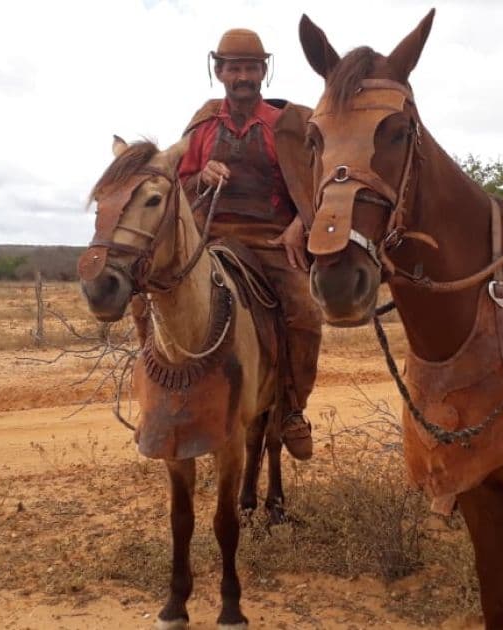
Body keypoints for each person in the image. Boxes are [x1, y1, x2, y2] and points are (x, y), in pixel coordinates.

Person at [178, 28, 322, 460]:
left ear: (264, 70)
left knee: (306, 314)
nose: (243, 76)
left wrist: (300, 225)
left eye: (251, 67)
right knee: (159, 294)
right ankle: (167, 399)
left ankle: (293, 409)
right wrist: (201, 176)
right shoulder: (203, 126)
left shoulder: (288, 124)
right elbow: (177, 182)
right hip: (211, 239)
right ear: (219, 71)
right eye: (234, 67)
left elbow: (317, 184)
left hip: (271, 239)